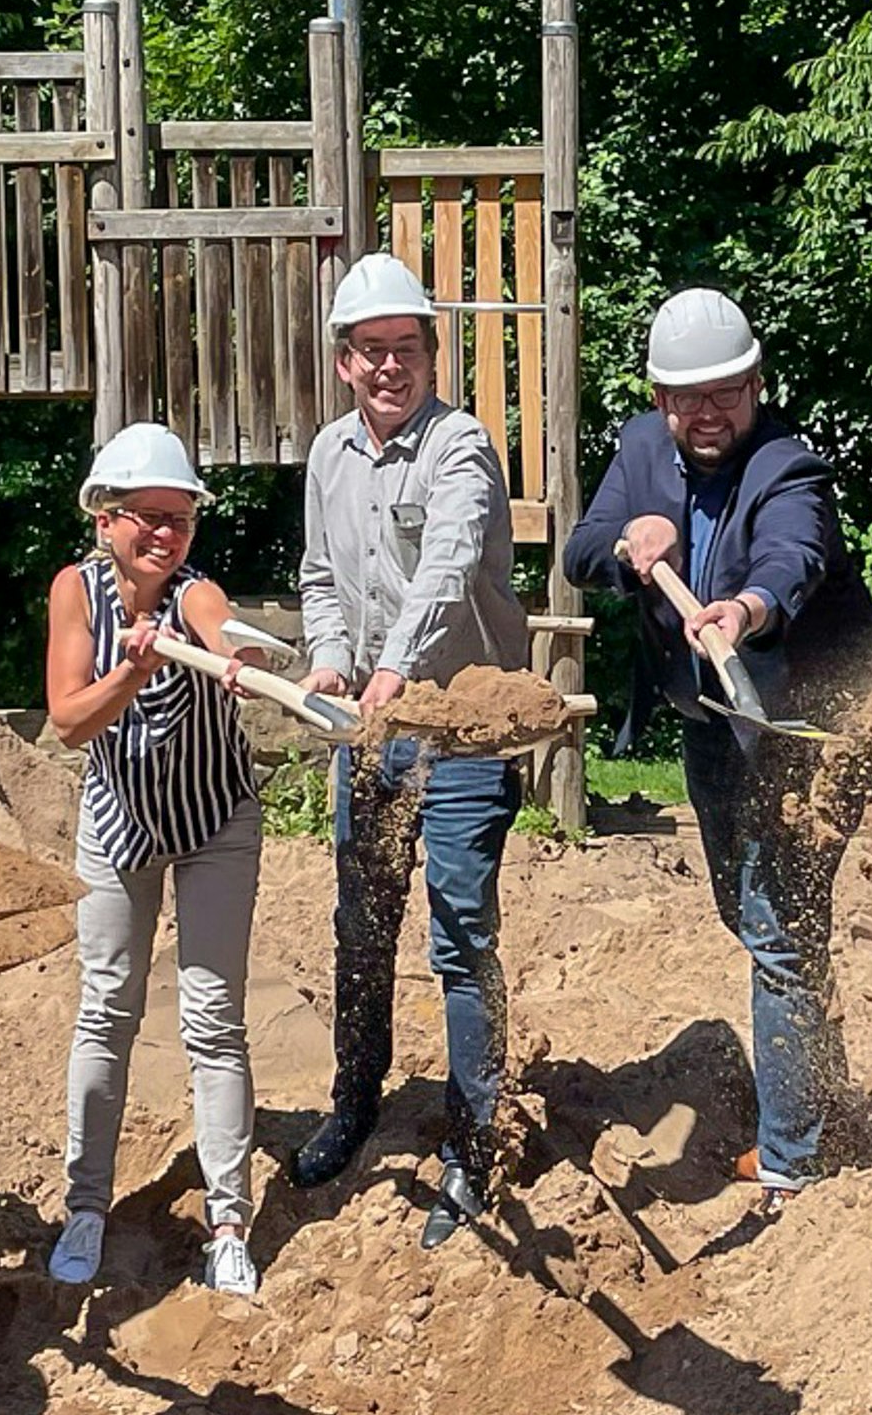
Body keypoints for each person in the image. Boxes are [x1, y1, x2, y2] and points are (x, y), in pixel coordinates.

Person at [563, 288, 872, 1213]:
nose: (708, 414)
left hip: (806, 727)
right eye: (687, 398)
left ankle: (794, 1157)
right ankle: (823, 1106)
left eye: (727, 393)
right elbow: (584, 549)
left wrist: (743, 609)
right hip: (710, 724)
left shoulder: (790, 467)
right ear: (661, 399)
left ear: (756, 384)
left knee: (780, 927)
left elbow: (796, 557)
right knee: (753, 916)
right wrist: (631, 546)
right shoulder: (637, 450)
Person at [291, 252, 532, 1249]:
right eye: (371, 351)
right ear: (344, 362)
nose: (390, 366)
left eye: (407, 349)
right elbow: (317, 574)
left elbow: (445, 566)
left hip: (462, 724)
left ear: (432, 353)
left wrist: (393, 671)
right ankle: (356, 1099)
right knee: (363, 924)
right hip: (374, 734)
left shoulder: (461, 446)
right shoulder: (328, 456)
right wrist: (330, 659)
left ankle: (475, 1143)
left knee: (460, 931)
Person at [39, 423, 271, 1298]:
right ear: (106, 521)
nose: (165, 534)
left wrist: (235, 657)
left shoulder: (197, 594)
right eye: (146, 517)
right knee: (106, 1007)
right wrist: (132, 673)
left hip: (215, 822)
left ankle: (228, 1220)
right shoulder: (76, 593)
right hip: (119, 824)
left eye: (179, 518)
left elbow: (221, 631)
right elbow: (67, 721)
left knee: (213, 1018)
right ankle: (85, 1205)